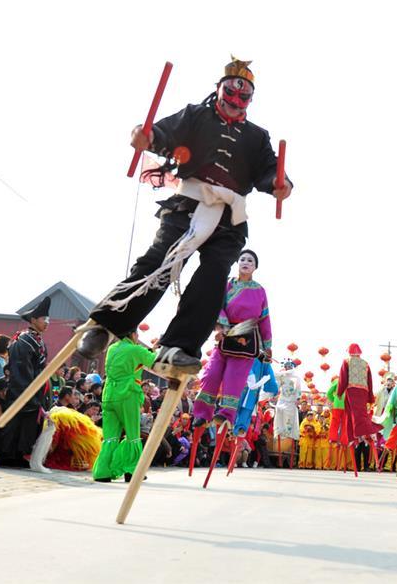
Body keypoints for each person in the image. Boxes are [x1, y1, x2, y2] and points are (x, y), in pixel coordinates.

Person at [76, 57, 292, 377]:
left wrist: (281, 185)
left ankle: (180, 345)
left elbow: (269, 172)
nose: (234, 102)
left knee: (214, 277)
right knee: (159, 260)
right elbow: (163, 135)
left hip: (230, 217)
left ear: (250, 100)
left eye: (242, 97)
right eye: (229, 95)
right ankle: (108, 323)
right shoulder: (195, 115)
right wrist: (147, 138)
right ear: (218, 91)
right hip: (187, 203)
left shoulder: (258, 137)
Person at [192, 250, 273, 429]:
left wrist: (267, 347)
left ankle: (226, 415)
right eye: (242, 259)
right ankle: (202, 413)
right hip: (226, 335)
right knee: (210, 374)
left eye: (250, 260)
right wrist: (222, 327)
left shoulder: (260, 291)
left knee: (233, 379)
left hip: (246, 341)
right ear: (238, 263)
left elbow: (264, 319)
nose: (245, 262)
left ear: (255, 267)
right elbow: (217, 306)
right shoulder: (227, 284)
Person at [92, 329, 158, 483]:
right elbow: (153, 361)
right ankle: (132, 471)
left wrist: (150, 349)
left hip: (109, 395)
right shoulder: (135, 349)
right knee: (132, 435)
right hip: (127, 395)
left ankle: (103, 472)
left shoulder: (112, 348)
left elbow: (135, 359)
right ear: (133, 335)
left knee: (110, 437)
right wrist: (157, 350)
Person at [0, 297, 51, 468]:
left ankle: (20, 454)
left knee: (27, 423)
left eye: (48, 320)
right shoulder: (23, 340)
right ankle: (7, 455)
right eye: (44, 319)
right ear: (33, 320)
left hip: (34, 389)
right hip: (22, 388)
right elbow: (21, 370)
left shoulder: (37, 340)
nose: (47, 323)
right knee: (16, 422)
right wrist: (29, 393)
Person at [336, 344, 382, 462]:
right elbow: (370, 380)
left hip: (352, 390)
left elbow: (343, 378)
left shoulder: (346, 361)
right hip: (364, 391)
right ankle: (361, 434)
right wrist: (370, 397)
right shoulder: (365, 364)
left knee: (351, 415)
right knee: (360, 414)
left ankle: (362, 434)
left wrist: (339, 392)